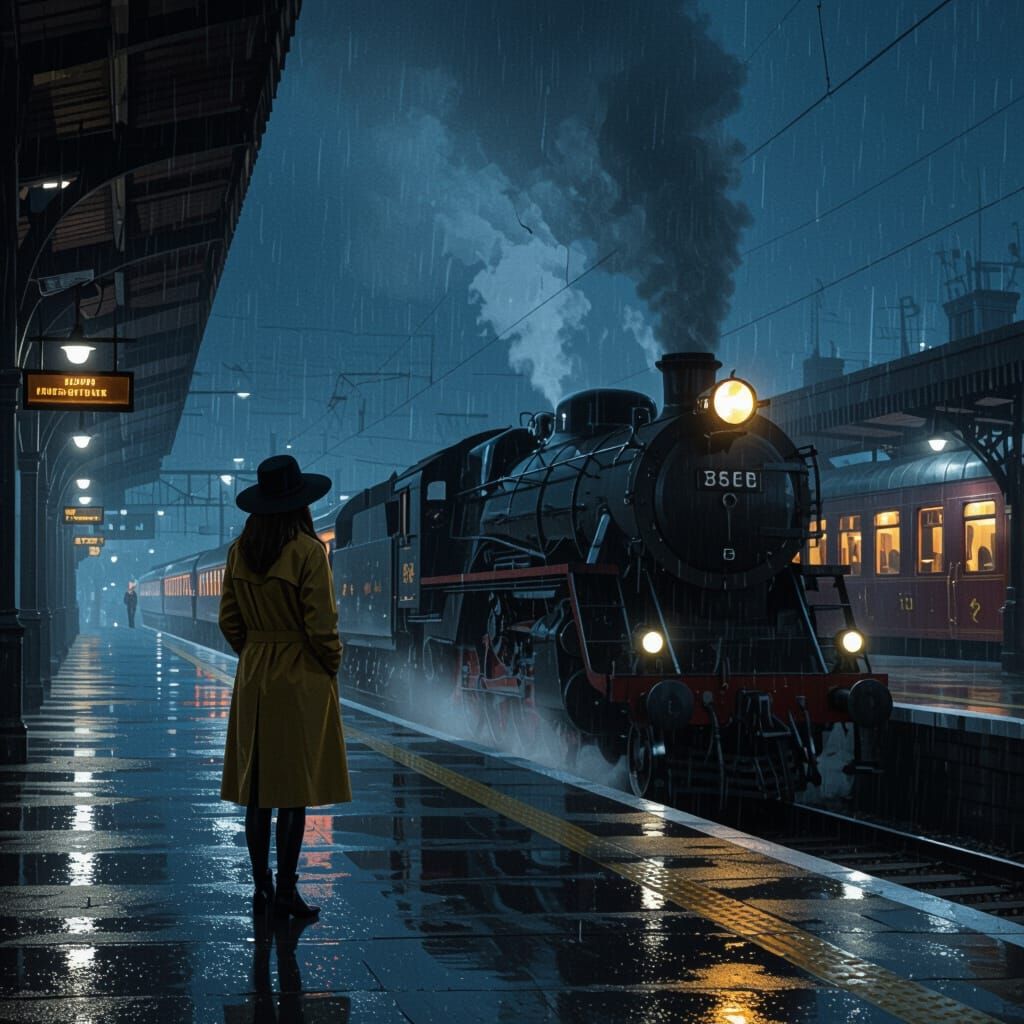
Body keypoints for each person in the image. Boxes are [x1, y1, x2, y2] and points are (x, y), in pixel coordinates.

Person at [219, 455, 351, 920]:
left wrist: (256, 652)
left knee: (257, 791)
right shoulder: (309, 552)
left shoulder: (239, 551)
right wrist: (329, 664)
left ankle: (261, 890)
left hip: (255, 673)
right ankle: (286, 894)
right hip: (299, 678)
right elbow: (322, 626)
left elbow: (229, 621)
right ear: (301, 503)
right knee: (293, 792)